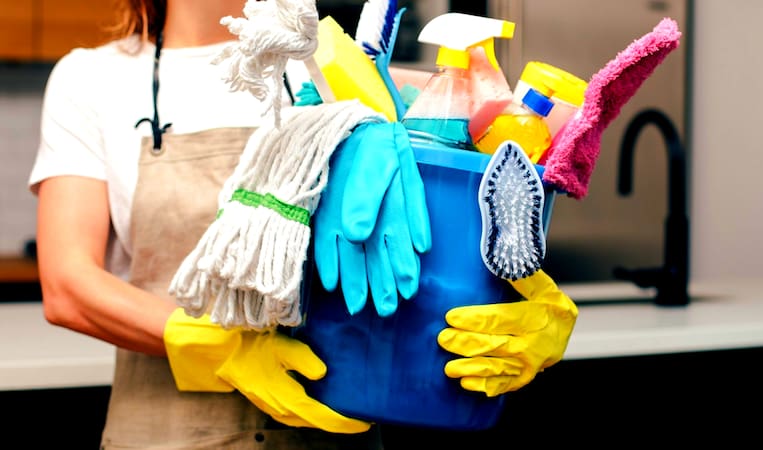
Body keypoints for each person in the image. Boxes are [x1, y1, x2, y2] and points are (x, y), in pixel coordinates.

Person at [28, 0, 578, 448]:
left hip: (336, 425)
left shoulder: (344, 74)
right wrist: (223, 347)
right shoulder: (91, 80)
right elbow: (69, 286)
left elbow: (521, 156)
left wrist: (531, 303)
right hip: (164, 433)